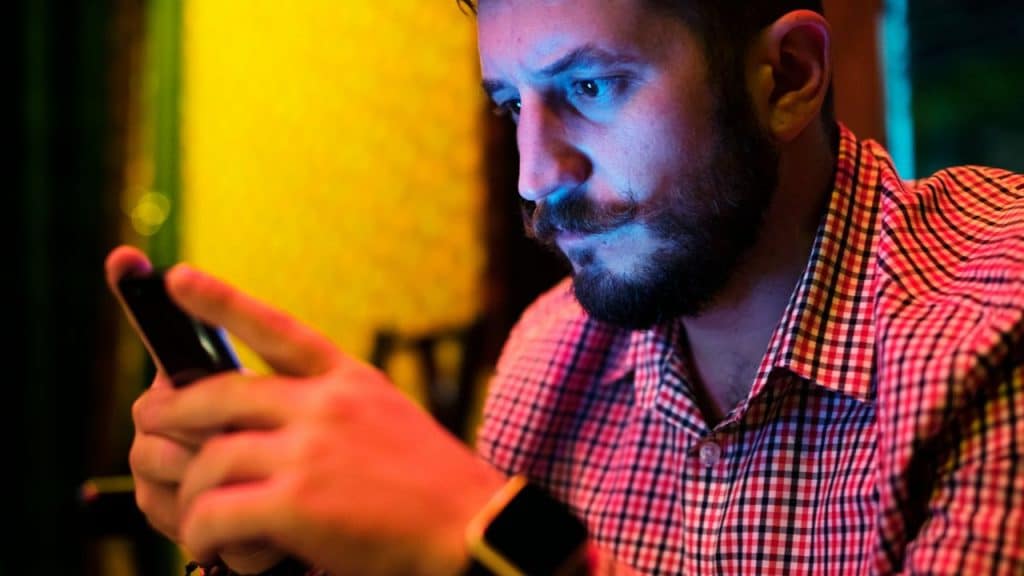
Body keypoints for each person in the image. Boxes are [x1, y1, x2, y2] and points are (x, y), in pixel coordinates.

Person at [104, 0, 1024, 574]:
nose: (534, 176)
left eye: (589, 85)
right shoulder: (557, 352)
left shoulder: (992, 326)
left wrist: (487, 535)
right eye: (511, 105)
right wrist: (293, 552)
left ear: (787, 78)